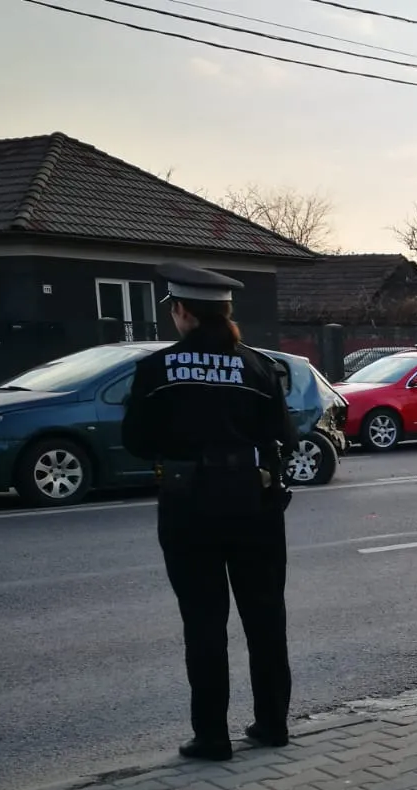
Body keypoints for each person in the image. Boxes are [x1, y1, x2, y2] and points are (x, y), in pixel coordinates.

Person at [122, 264, 295, 761]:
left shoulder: (157, 370)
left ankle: (212, 736)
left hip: (188, 504)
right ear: (225, 311)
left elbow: (136, 441)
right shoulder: (258, 367)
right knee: (265, 616)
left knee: (202, 621)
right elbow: (284, 435)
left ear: (182, 311)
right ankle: (272, 724)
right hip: (253, 501)